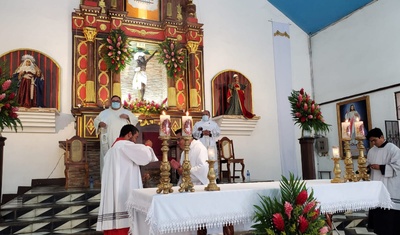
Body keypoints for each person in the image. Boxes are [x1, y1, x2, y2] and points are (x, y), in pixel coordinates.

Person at [96, 124, 158, 235]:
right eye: (135, 137)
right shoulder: (125, 145)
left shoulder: (111, 150)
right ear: (129, 134)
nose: (135, 141)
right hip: (123, 194)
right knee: (125, 224)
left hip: (113, 195)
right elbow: (145, 156)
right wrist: (148, 146)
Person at [366, 128, 400, 235]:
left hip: (389, 185)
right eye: (371, 141)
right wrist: (366, 168)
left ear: (382, 137)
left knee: (390, 222)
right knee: (378, 220)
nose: (373, 143)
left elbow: (398, 166)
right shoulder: (371, 151)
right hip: (376, 186)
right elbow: (367, 165)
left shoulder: (393, 149)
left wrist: (380, 167)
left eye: (375, 140)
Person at [94, 95, 138, 175]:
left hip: (123, 143)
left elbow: (135, 120)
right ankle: (107, 183)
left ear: (120, 103)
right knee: (108, 161)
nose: (115, 102)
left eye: (117, 101)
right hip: (108, 142)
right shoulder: (104, 113)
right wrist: (100, 123)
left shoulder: (126, 112)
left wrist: (128, 117)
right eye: (113, 101)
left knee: (122, 162)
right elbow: (96, 121)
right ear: (110, 103)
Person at [193, 110, 221, 180]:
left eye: (206, 114)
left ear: (209, 115)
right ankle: (202, 176)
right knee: (202, 160)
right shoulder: (197, 124)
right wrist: (202, 133)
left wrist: (210, 133)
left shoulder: (214, 124)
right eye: (203, 114)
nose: (205, 115)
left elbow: (218, 133)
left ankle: (213, 176)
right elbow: (194, 134)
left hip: (211, 144)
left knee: (212, 159)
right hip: (201, 144)